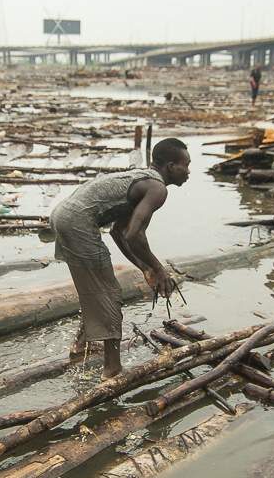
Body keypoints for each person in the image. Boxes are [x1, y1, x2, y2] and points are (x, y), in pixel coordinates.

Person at [50, 138, 191, 378]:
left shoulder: (145, 179)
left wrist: (144, 268)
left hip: (63, 215)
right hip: (78, 221)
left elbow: (119, 232)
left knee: (94, 288)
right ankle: (112, 369)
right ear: (170, 166)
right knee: (109, 293)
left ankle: (81, 345)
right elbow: (135, 235)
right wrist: (159, 269)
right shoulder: (158, 189)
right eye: (185, 165)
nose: (188, 171)